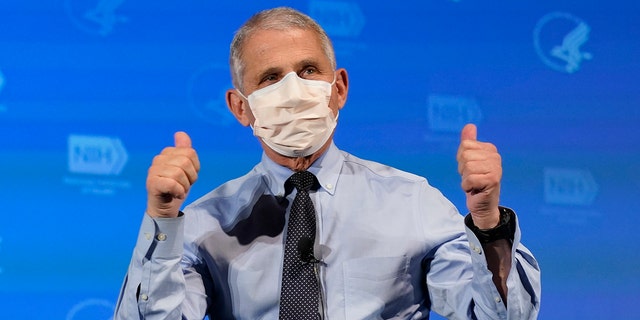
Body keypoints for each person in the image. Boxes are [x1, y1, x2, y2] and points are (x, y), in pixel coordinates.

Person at [113, 6, 540, 320]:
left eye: (308, 70)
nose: (293, 90)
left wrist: (487, 224)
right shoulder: (206, 224)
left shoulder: (414, 202)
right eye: (271, 78)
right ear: (240, 108)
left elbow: (501, 318)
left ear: (338, 89)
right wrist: (163, 220)